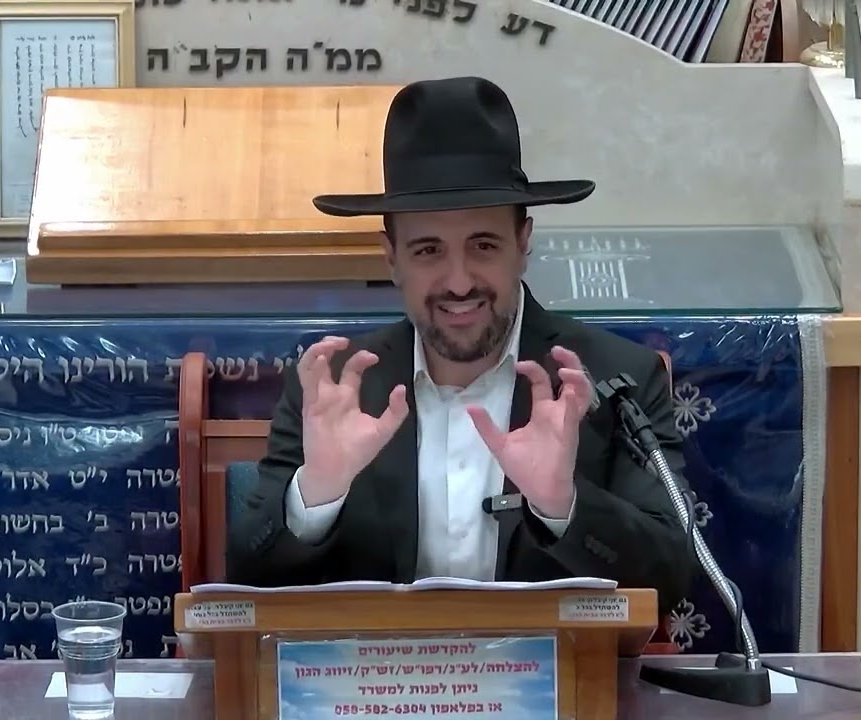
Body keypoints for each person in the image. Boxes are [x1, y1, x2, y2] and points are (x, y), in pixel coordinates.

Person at [226, 76, 691, 612]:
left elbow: (673, 579)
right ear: (392, 258)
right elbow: (246, 578)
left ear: (523, 243)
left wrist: (563, 505)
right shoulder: (336, 390)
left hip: (560, 667)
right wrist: (317, 492)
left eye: (483, 245)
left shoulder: (614, 380)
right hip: (376, 667)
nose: (460, 281)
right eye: (428, 250)